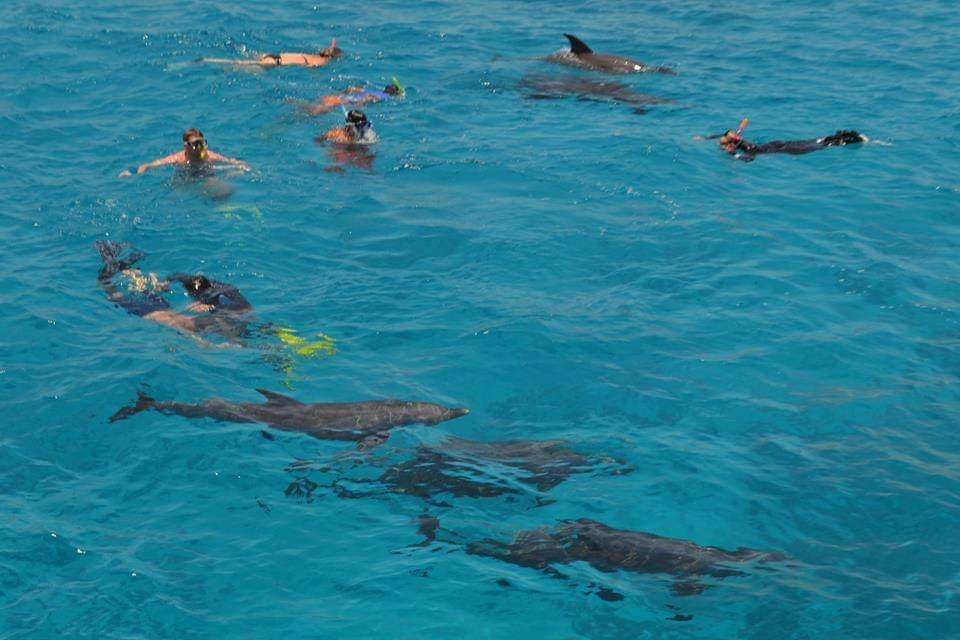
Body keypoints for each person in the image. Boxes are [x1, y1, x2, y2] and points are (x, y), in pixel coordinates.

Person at [95, 240, 250, 340]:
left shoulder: (227, 309)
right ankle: (114, 265)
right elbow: (203, 345)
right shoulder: (235, 312)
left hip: (160, 310)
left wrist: (168, 281)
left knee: (126, 291)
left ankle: (117, 264)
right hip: (157, 311)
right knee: (117, 292)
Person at [120, 128, 249, 177]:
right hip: (184, 176)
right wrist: (135, 173)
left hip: (205, 175)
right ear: (186, 146)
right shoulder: (179, 158)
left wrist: (242, 166)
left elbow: (231, 161)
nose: (199, 148)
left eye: (201, 144)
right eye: (195, 145)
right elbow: (149, 165)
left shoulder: (209, 155)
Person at [717, 121, 866, 161]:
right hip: (783, 146)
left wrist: (732, 155)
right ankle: (845, 138)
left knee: (819, 144)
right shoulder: (744, 145)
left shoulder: (746, 148)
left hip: (786, 148)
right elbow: (747, 157)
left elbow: (748, 159)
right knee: (818, 143)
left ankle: (847, 139)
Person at [196, 38, 342, 68]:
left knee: (245, 59)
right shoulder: (321, 61)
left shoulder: (312, 54)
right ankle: (208, 60)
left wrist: (332, 45)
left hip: (273, 55)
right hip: (274, 63)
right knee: (238, 64)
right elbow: (313, 69)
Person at [299, 78, 403, 115]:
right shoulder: (385, 97)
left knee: (315, 105)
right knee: (316, 112)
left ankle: (299, 104)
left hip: (341, 97)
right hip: (348, 101)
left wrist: (342, 93)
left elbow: (352, 88)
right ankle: (300, 113)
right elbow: (370, 97)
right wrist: (360, 104)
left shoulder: (375, 90)